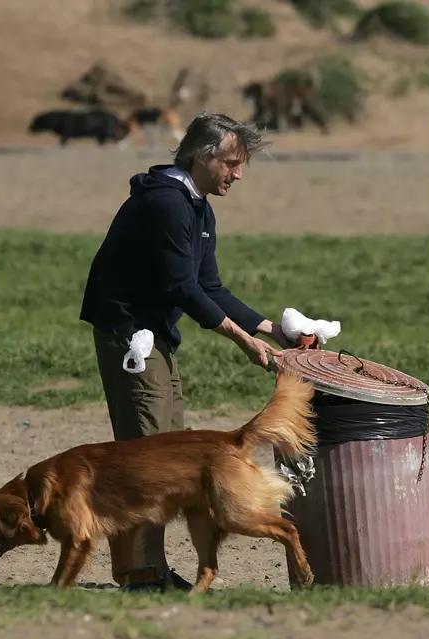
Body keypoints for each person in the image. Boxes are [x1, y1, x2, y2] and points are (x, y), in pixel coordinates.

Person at [79, 112, 295, 592]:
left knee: (164, 453)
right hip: (132, 338)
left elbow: (209, 286)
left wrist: (271, 329)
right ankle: (141, 573)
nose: (238, 174)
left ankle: (143, 567)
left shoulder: (197, 207)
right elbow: (180, 287)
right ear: (203, 156)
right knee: (148, 463)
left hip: (156, 337)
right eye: (233, 163)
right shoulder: (167, 206)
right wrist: (242, 341)